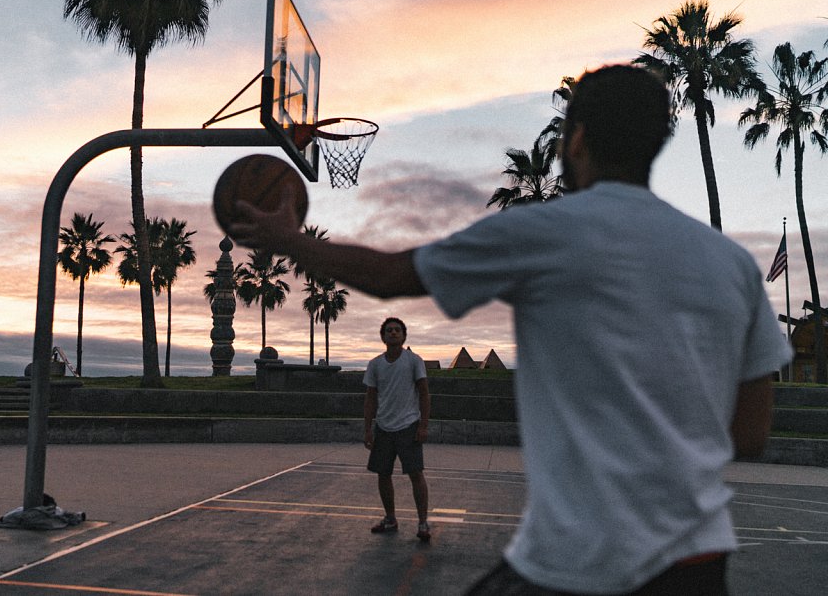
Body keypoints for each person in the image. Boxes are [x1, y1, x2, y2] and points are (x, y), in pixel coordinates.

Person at [228, 64, 792, 595]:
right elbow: (751, 434)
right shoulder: (732, 265)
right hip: (696, 564)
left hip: (580, 562)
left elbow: (395, 275)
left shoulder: (544, 232)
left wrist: (291, 241)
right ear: (657, 141)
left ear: (576, 139)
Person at [364, 317, 431, 541]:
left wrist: (422, 425)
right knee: (383, 474)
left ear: (403, 336)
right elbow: (370, 398)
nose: (393, 333)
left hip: (408, 426)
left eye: (397, 330)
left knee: (416, 474)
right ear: (383, 336)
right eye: (389, 330)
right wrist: (368, 429)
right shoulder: (375, 365)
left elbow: (424, 393)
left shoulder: (414, 361)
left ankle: (423, 523)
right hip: (383, 427)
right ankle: (390, 519)